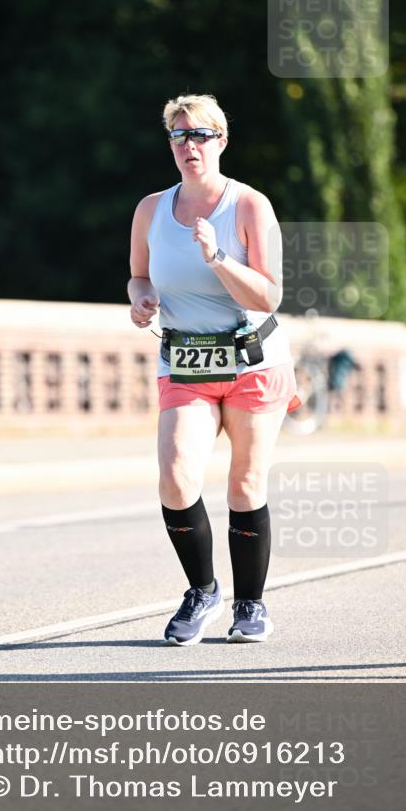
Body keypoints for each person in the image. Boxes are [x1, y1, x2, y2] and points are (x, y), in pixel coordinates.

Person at [127, 93, 300, 646]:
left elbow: (269, 295)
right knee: (176, 478)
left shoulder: (249, 207)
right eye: (179, 136)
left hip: (253, 360)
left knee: (245, 483)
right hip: (184, 362)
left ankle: (251, 605)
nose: (189, 145)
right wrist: (140, 301)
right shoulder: (152, 209)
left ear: (221, 141)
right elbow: (138, 276)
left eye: (200, 134)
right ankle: (202, 590)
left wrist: (218, 259)